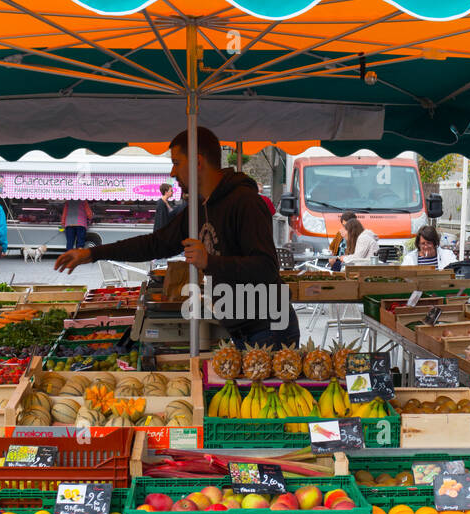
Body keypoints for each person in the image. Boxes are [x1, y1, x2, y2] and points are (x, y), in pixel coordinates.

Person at [54, 126, 298, 348]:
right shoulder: (199, 208)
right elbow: (156, 243)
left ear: (197, 162)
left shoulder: (245, 202)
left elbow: (266, 267)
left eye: (176, 162)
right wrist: (92, 253)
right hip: (241, 329)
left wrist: (210, 263)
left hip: (270, 328)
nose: (172, 171)